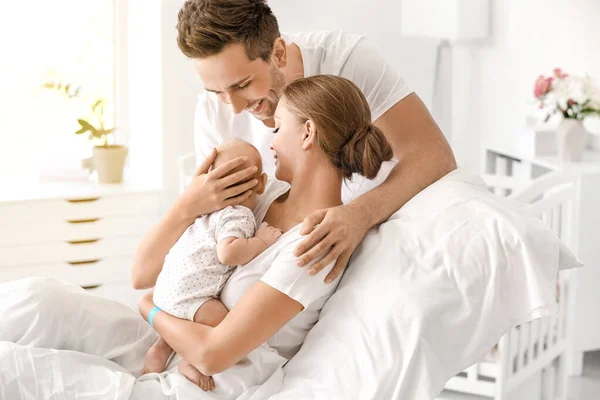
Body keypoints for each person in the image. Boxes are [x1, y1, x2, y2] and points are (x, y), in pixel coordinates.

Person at [0, 74, 396, 399]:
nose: (270, 141)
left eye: (277, 128)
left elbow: (211, 355)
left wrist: (150, 309)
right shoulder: (262, 195)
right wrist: (189, 204)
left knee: (15, 372)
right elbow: (143, 272)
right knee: (37, 301)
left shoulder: (313, 245)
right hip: (168, 339)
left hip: (196, 383)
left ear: (307, 132)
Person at [152, 0, 457, 289]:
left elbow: (434, 155)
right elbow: (214, 232)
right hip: (274, 267)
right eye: (215, 91)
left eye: (243, 84)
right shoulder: (212, 112)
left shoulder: (346, 60)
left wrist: (360, 214)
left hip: (367, 250)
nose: (233, 107)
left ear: (279, 53)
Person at [142, 139, 283, 391]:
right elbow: (229, 252)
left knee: (181, 317)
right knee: (225, 325)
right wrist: (261, 241)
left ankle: (160, 349)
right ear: (262, 183)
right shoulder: (238, 214)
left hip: (165, 290)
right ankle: (189, 362)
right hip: (190, 296)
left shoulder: (207, 212)